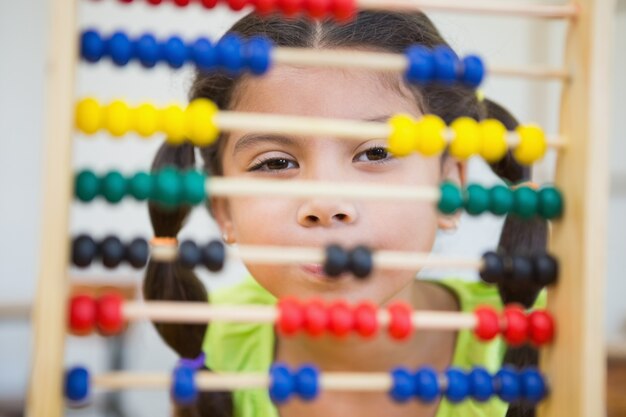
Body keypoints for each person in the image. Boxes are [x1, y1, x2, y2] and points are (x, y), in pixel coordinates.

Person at [144, 10, 547, 417]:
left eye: (376, 152)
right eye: (274, 162)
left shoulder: (545, 335)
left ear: (449, 186)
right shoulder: (212, 344)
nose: (326, 203)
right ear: (224, 207)